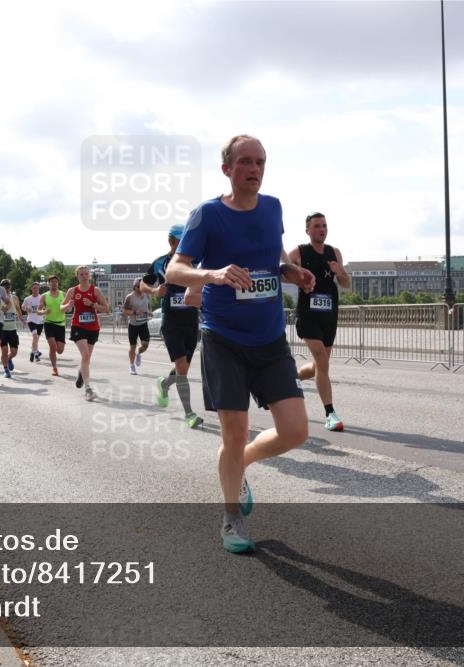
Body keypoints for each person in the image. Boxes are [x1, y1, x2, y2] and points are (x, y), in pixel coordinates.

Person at [165, 134, 315, 553]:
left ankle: (243, 462)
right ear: (227, 169)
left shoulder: (273, 207)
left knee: (295, 431)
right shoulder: (208, 214)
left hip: (269, 339)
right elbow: (176, 271)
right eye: (245, 161)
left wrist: (291, 272)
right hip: (224, 337)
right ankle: (232, 518)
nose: (254, 168)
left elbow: (274, 257)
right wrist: (212, 275)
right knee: (234, 433)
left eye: (260, 162)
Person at [289, 212, 350, 432]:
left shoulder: (334, 252)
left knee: (318, 367)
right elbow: (282, 272)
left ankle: (291, 378)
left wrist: (339, 270)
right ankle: (330, 413)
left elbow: (345, 283)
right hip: (308, 315)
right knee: (323, 363)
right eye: (316, 226)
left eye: (324, 225)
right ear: (308, 230)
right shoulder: (298, 252)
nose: (321, 229)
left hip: (329, 315)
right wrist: (298, 278)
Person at [144, 224, 204, 428]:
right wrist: (154, 291)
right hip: (171, 321)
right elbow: (142, 284)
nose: (186, 243)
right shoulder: (161, 262)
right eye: (181, 239)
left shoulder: (195, 261)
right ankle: (189, 413)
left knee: (183, 368)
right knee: (181, 367)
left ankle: (164, 383)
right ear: (171, 241)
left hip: (191, 319)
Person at [62, 265, 109, 401]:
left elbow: (106, 308)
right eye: (81, 274)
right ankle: (88, 389)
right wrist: (68, 306)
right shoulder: (72, 291)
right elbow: (61, 308)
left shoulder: (96, 290)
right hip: (78, 326)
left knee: (86, 359)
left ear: (89, 275)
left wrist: (93, 305)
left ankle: (81, 372)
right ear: (77, 276)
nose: (83, 276)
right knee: (85, 355)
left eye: (86, 274)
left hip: (93, 327)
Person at [39, 275, 67, 376]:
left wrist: (68, 308)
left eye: (55, 281)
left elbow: (68, 308)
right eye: (52, 282)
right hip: (49, 323)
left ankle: (55, 357)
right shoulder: (44, 296)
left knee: (60, 350)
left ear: (58, 283)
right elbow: (38, 310)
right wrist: (44, 311)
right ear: (49, 284)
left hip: (61, 324)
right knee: (52, 346)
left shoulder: (63, 294)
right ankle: (54, 368)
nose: (54, 283)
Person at [123, 279, 151, 375]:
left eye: (143, 285)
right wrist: (134, 312)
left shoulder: (147, 295)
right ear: (135, 287)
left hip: (143, 324)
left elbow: (147, 307)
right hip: (133, 325)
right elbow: (125, 311)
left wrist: (149, 312)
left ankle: (139, 354)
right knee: (132, 347)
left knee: (145, 345)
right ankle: (132, 366)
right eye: (139, 286)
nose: (142, 287)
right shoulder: (130, 297)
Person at [0, 279, 24, 379]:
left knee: (14, 352)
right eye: (4, 286)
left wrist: (21, 318)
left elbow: (18, 308)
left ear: (10, 287)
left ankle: (9, 359)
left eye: (8, 286)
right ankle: (6, 370)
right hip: (2, 329)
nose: (6, 288)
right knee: (4, 351)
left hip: (12, 329)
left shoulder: (14, 298)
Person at [21, 282, 45, 363]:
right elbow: (22, 307)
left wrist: (44, 310)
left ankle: (32, 351)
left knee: (36, 339)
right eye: (34, 288)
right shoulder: (27, 299)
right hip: (31, 320)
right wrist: (27, 308)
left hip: (40, 321)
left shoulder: (42, 297)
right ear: (32, 289)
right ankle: (36, 354)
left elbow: (46, 307)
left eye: (37, 288)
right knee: (35, 337)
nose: (36, 289)